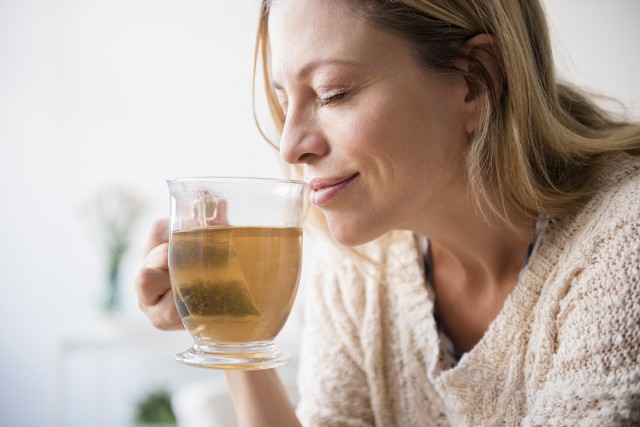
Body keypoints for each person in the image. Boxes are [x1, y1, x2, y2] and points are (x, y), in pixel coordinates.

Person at [135, 0, 640, 425]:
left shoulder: (623, 245)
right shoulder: (358, 265)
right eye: (283, 100)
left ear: (476, 81)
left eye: (333, 93)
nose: (290, 147)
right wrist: (233, 329)